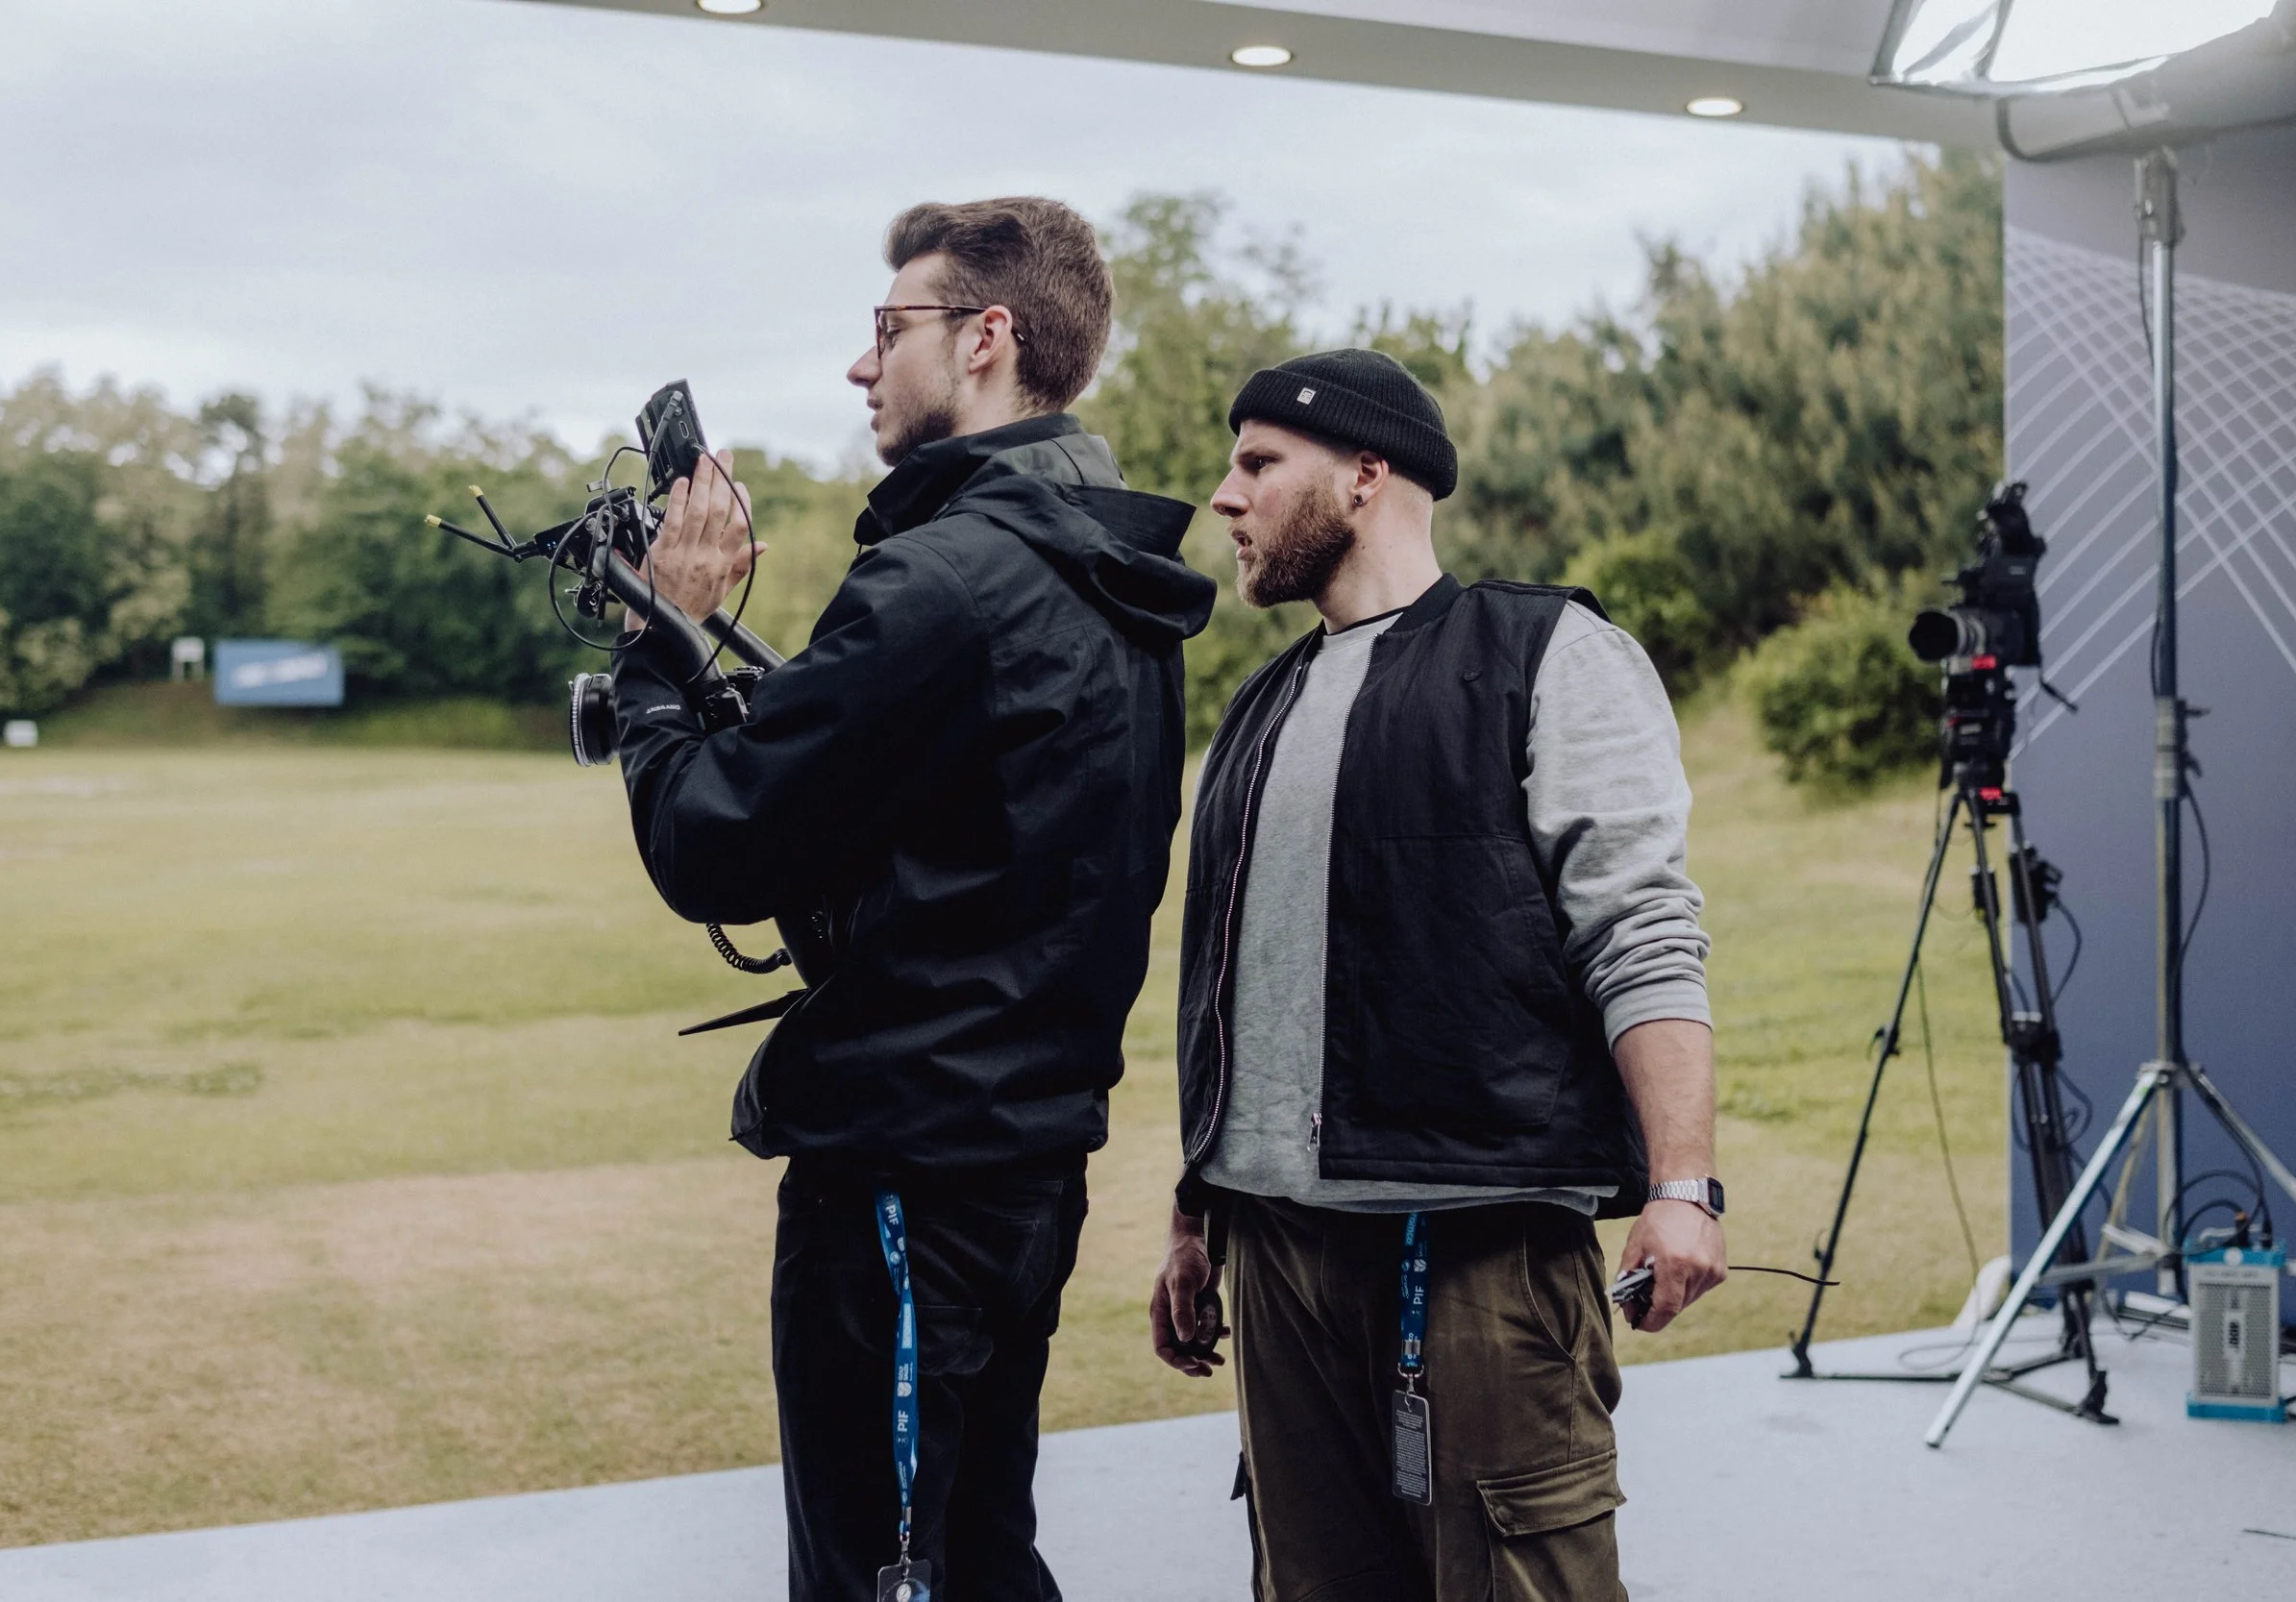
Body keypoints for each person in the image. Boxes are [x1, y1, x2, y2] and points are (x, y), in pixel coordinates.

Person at [614, 197, 1215, 1601]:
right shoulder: (1109, 571)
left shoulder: (947, 579)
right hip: (1021, 1167)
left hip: (902, 1175)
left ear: (987, 338)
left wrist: (665, 635)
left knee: (876, 1575)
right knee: (981, 1554)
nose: (860, 366)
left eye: (888, 330)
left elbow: (711, 840)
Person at [1148, 349, 1725, 1600]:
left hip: (1475, 1255)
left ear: (1367, 471)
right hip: (1277, 1258)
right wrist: (1198, 1214)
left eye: (1257, 463)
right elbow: (1231, 986)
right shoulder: (1258, 704)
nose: (1224, 497)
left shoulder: (1542, 649)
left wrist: (1686, 1183)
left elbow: (1641, 926)